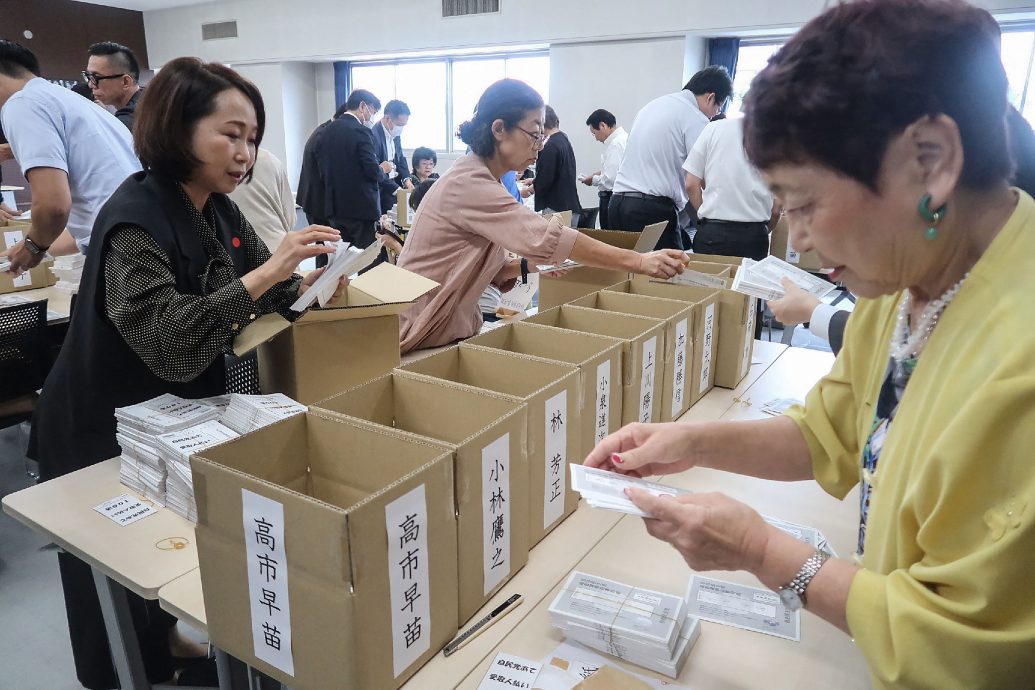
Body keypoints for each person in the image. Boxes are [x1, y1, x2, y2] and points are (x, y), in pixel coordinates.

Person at [585, 2, 1035, 688]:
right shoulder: (908, 283)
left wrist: (760, 550)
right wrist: (689, 441)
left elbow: (957, 643)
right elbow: (832, 431)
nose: (794, 239)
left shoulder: (1018, 361)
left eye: (801, 201)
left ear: (931, 161)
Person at [26, 56, 344, 690]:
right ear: (176, 127)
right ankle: (121, 672)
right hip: (100, 426)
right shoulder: (134, 216)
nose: (245, 152)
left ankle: (167, 644)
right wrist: (267, 275)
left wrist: (317, 280)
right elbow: (170, 343)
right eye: (230, 134)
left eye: (252, 138)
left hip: (172, 417)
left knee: (167, 557)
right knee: (110, 579)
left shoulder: (217, 209)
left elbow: (266, 294)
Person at [396, 78, 688, 354]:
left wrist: (530, 264)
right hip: (422, 330)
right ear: (499, 129)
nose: (539, 147)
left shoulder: (485, 179)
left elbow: (491, 269)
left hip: (444, 328)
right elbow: (554, 237)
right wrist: (638, 260)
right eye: (534, 135)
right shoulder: (468, 183)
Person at [0, 40, 140, 273]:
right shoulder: (73, 102)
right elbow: (88, 223)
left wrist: (33, 246)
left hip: (124, 249)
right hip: (141, 237)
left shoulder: (22, 104)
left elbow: (53, 206)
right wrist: (27, 250)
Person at [610, 66, 732, 250]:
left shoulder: (653, 105)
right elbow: (703, 178)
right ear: (710, 98)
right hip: (650, 211)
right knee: (671, 271)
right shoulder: (695, 117)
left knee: (631, 274)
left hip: (617, 204)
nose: (715, 114)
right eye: (719, 107)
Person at [684, 117, 781, 260]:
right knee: (746, 283)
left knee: (708, 281)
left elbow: (691, 184)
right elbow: (777, 209)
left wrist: (705, 217)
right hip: (754, 238)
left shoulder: (713, 128)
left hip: (712, 235)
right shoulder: (775, 136)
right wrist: (763, 231)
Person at [314, 89, 388, 249]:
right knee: (366, 260)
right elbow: (373, 171)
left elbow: (322, 169)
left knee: (341, 259)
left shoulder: (325, 131)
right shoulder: (361, 132)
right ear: (362, 106)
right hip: (362, 209)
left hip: (335, 207)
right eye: (372, 112)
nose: (371, 117)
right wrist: (383, 170)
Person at [228, 147, 295, 252]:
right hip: (281, 250)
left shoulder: (214, 171)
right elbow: (290, 218)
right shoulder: (270, 160)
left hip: (274, 255)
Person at [296, 102, 348, 228]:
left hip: (319, 199)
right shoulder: (324, 135)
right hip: (317, 203)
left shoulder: (326, 130)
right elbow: (328, 172)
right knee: (323, 244)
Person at [581, 108, 628, 229]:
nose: (596, 138)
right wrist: (600, 173)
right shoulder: (625, 139)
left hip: (611, 198)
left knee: (609, 238)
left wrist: (593, 180)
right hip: (622, 201)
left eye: (594, 133)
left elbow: (612, 180)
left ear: (602, 125)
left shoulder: (615, 144)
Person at [532, 105, 581, 214]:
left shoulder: (550, 146)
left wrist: (529, 189)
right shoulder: (563, 139)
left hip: (556, 208)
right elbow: (558, 173)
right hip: (569, 205)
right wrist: (533, 181)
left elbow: (544, 181)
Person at [84, 41, 144, 130]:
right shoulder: (146, 101)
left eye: (96, 77)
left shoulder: (130, 120)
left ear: (125, 82)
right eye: (89, 76)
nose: (90, 85)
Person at [372, 99, 413, 212]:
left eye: (404, 125)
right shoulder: (373, 135)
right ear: (387, 119)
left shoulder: (395, 133)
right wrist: (397, 190)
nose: (401, 129)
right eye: (399, 125)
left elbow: (400, 158)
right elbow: (375, 170)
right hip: (380, 188)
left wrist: (406, 179)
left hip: (394, 183)